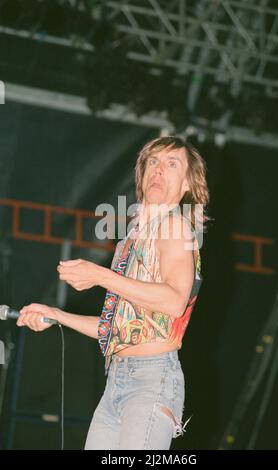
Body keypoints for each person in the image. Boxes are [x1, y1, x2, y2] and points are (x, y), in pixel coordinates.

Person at [17, 136, 209, 450]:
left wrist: (100, 275)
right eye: (153, 163)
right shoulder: (128, 243)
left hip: (152, 380)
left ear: (187, 183)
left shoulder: (176, 227)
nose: (158, 170)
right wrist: (56, 314)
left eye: (171, 164)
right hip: (116, 381)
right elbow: (114, 327)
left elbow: (175, 301)